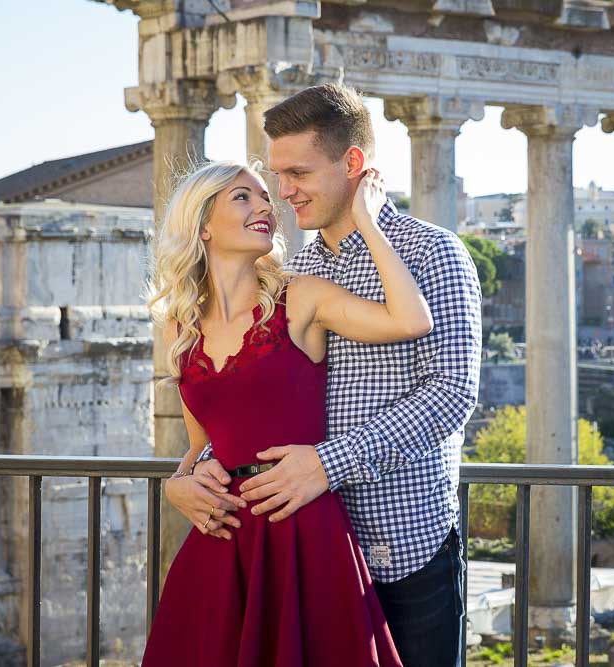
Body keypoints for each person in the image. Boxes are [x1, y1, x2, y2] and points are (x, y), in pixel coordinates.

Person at [167, 84, 483, 666]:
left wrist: (326, 464)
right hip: (298, 550)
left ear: (353, 164)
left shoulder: (433, 253)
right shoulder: (291, 273)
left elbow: (451, 395)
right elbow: (244, 403)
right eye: (275, 176)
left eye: (298, 173)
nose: (284, 193)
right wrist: (186, 475)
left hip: (402, 549)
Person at [141, 158, 428, 665]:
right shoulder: (179, 329)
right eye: (242, 197)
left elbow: (410, 320)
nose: (265, 206)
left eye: (264, 197)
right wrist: (175, 485)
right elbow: (202, 445)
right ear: (202, 225)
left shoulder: (300, 298)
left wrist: (368, 220)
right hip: (222, 542)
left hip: (302, 530)